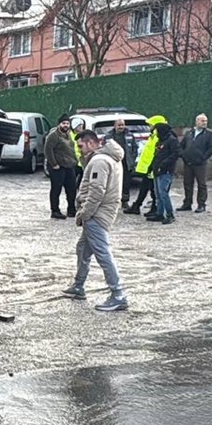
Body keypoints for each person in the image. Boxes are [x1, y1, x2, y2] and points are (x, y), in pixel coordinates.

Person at [61, 131, 128, 312]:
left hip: (96, 215)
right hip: (99, 213)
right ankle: (78, 286)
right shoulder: (107, 158)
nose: (79, 150)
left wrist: (84, 213)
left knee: (103, 254)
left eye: (81, 146)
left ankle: (118, 294)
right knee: (83, 249)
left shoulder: (100, 161)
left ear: (91, 143)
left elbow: (96, 191)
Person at [124, 115, 164, 215]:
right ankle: (137, 206)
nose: (149, 127)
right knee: (145, 187)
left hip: (152, 167)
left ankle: (153, 208)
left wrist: (152, 166)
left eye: (150, 125)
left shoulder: (158, 136)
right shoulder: (154, 135)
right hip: (148, 167)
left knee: (153, 190)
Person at [178, 113, 212, 213]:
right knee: (187, 184)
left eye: (206, 121)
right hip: (188, 163)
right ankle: (187, 203)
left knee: (202, 184)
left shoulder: (209, 134)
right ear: (197, 121)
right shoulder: (189, 133)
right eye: (202, 121)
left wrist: (203, 157)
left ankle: (201, 204)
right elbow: (181, 145)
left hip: (200, 164)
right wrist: (183, 155)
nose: (204, 123)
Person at [44, 114, 79, 219]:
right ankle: (55, 211)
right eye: (64, 123)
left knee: (72, 189)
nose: (66, 125)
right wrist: (54, 164)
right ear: (59, 124)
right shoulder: (53, 135)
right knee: (56, 189)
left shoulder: (69, 134)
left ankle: (71, 209)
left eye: (67, 123)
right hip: (58, 167)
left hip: (69, 165)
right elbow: (48, 150)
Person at [148, 122, 182, 224]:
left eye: (157, 130)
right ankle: (159, 213)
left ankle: (170, 214)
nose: (156, 133)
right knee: (158, 194)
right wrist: (151, 167)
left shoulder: (172, 141)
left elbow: (176, 154)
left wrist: (163, 165)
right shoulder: (160, 141)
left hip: (166, 171)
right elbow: (156, 155)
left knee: (163, 193)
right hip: (157, 170)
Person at [106, 118, 138, 209]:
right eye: (119, 125)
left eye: (123, 125)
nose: (121, 127)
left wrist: (132, 159)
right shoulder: (108, 136)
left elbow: (134, 148)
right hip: (114, 163)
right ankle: (113, 202)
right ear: (115, 126)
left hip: (126, 164)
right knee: (113, 184)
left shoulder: (130, 135)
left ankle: (125, 201)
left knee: (126, 183)